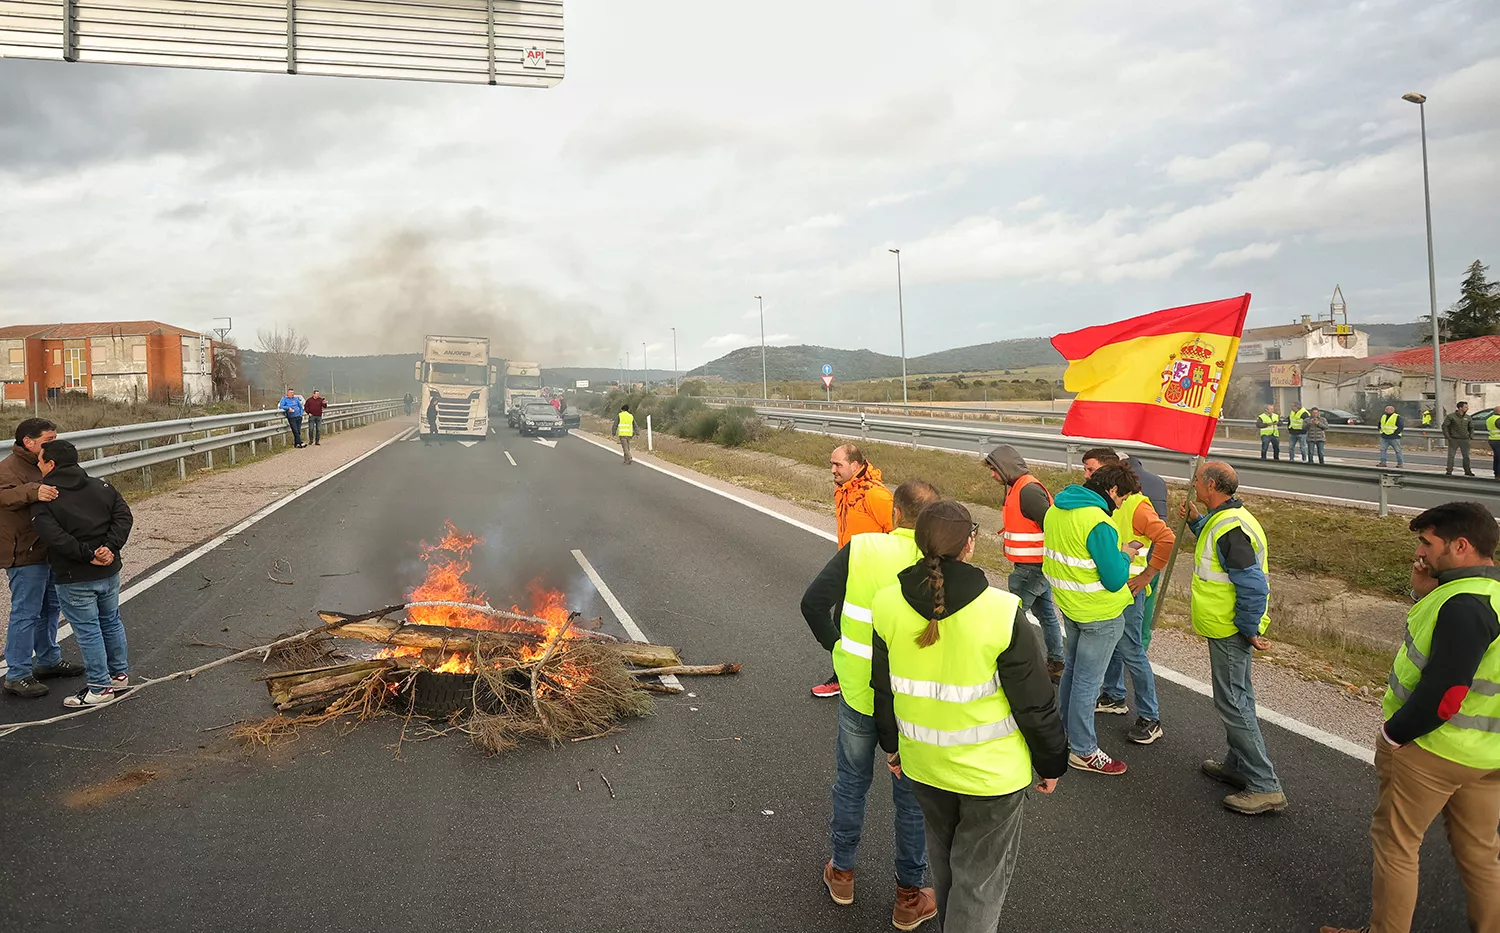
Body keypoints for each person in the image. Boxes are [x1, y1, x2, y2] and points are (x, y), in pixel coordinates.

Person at [871, 499, 1067, 933]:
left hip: (924, 766)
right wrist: (1052, 762)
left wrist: (893, 747)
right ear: (970, 545)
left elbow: (883, 691)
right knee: (978, 883)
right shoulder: (1001, 611)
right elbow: (1035, 703)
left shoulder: (886, 604)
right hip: (991, 778)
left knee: (945, 870)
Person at [1319, 501, 1500, 933]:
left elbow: (1446, 694)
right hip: (1487, 754)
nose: (1420, 551)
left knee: (1397, 845)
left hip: (1432, 749)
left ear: (1460, 545)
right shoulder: (1485, 594)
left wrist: (1394, 734)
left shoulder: (1464, 605)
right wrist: (1424, 591)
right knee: (1479, 854)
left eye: (1427, 542)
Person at [801, 481, 942, 930]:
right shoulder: (942, 562)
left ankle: (842, 873)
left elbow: (812, 603)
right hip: (915, 702)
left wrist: (838, 648)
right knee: (912, 799)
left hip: (860, 691)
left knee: (852, 783)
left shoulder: (862, 548)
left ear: (895, 513)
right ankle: (908, 896)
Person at [1182, 462, 1287, 814]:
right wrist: (1197, 521)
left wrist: (1248, 628)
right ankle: (1238, 764)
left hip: (1230, 628)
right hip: (1225, 625)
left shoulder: (1231, 527)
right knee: (1238, 697)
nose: (1193, 484)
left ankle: (1264, 784)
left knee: (1233, 702)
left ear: (1211, 484)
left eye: (1197, 480)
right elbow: (1222, 558)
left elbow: (1253, 585)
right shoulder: (1224, 517)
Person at [1042, 468, 1135, 775]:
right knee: (1088, 682)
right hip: (1100, 613)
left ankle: (1064, 734)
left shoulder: (1056, 509)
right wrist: (1125, 555)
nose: (1121, 505)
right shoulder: (1099, 522)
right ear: (1111, 490)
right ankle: (1083, 750)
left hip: (1071, 606)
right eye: (1122, 497)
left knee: (1072, 673)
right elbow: (1114, 579)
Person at [28, 439, 133, 708]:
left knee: (88, 631)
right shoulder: (103, 486)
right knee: (111, 621)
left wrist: (87, 555)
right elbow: (124, 517)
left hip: (75, 575)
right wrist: (109, 548)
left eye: (40, 460)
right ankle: (118, 675)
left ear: (50, 464)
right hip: (109, 570)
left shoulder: (46, 497)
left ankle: (99, 687)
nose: (38, 464)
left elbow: (54, 537)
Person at [1088, 461, 1175, 745]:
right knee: (1117, 646)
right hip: (1113, 588)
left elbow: (1166, 538)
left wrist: (1148, 576)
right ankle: (1114, 696)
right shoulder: (1104, 504)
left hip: (1130, 591)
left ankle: (1151, 717)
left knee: (1132, 651)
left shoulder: (1137, 505)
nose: (1087, 476)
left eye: (1091, 471)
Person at [1, 418, 83, 698]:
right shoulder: (9, 468)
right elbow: (4, 497)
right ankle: (18, 673)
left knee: (50, 607)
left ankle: (48, 659)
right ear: (28, 441)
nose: (53, 444)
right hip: (24, 552)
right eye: (48, 440)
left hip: (48, 548)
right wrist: (33, 490)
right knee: (25, 612)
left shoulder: (47, 461)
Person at [813, 444, 896, 699]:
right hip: (848, 567)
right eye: (831, 464)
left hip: (872, 574)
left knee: (864, 627)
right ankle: (845, 676)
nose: (833, 470)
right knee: (841, 622)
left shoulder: (876, 496)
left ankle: (874, 679)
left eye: (838, 464)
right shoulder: (844, 490)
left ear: (856, 465)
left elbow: (900, 533)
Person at [984, 445, 1065, 680]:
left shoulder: (1028, 491)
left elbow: (1051, 527)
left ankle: (1007, 668)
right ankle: (1056, 662)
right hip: (1033, 565)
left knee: (1012, 617)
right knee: (1046, 615)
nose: (992, 475)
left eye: (994, 470)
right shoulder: (1019, 487)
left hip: (1033, 567)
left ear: (1005, 468)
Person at [1445, 402, 1476, 476]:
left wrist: (1471, 435)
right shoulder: (1451, 416)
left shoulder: (1468, 417)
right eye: (1465, 407)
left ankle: (1467, 470)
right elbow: (1445, 426)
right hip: (1454, 439)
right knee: (1451, 455)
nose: (1467, 408)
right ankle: (1449, 470)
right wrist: (1448, 436)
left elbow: (1471, 427)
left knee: (1466, 456)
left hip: (1465, 439)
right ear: (1460, 408)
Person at [1487, 408, 1500, 479]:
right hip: (1498, 440)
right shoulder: (1498, 419)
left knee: (1497, 457)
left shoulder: (1490, 419)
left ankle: (1496, 472)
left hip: (1492, 440)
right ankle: (1498, 474)